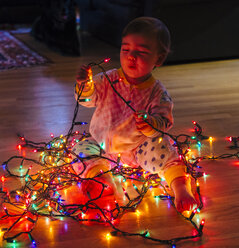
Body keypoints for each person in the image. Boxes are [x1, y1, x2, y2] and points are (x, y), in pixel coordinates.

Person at [73, 16, 198, 212]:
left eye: (141, 52)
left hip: (140, 147)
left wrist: (151, 125)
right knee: (80, 149)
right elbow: (87, 99)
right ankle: (102, 179)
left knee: (164, 150)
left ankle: (180, 186)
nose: (131, 56)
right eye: (125, 49)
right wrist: (85, 85)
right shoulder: (108, 79)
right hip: (103, 143)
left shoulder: (157, 92)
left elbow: (164, 121)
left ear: (158, 59)